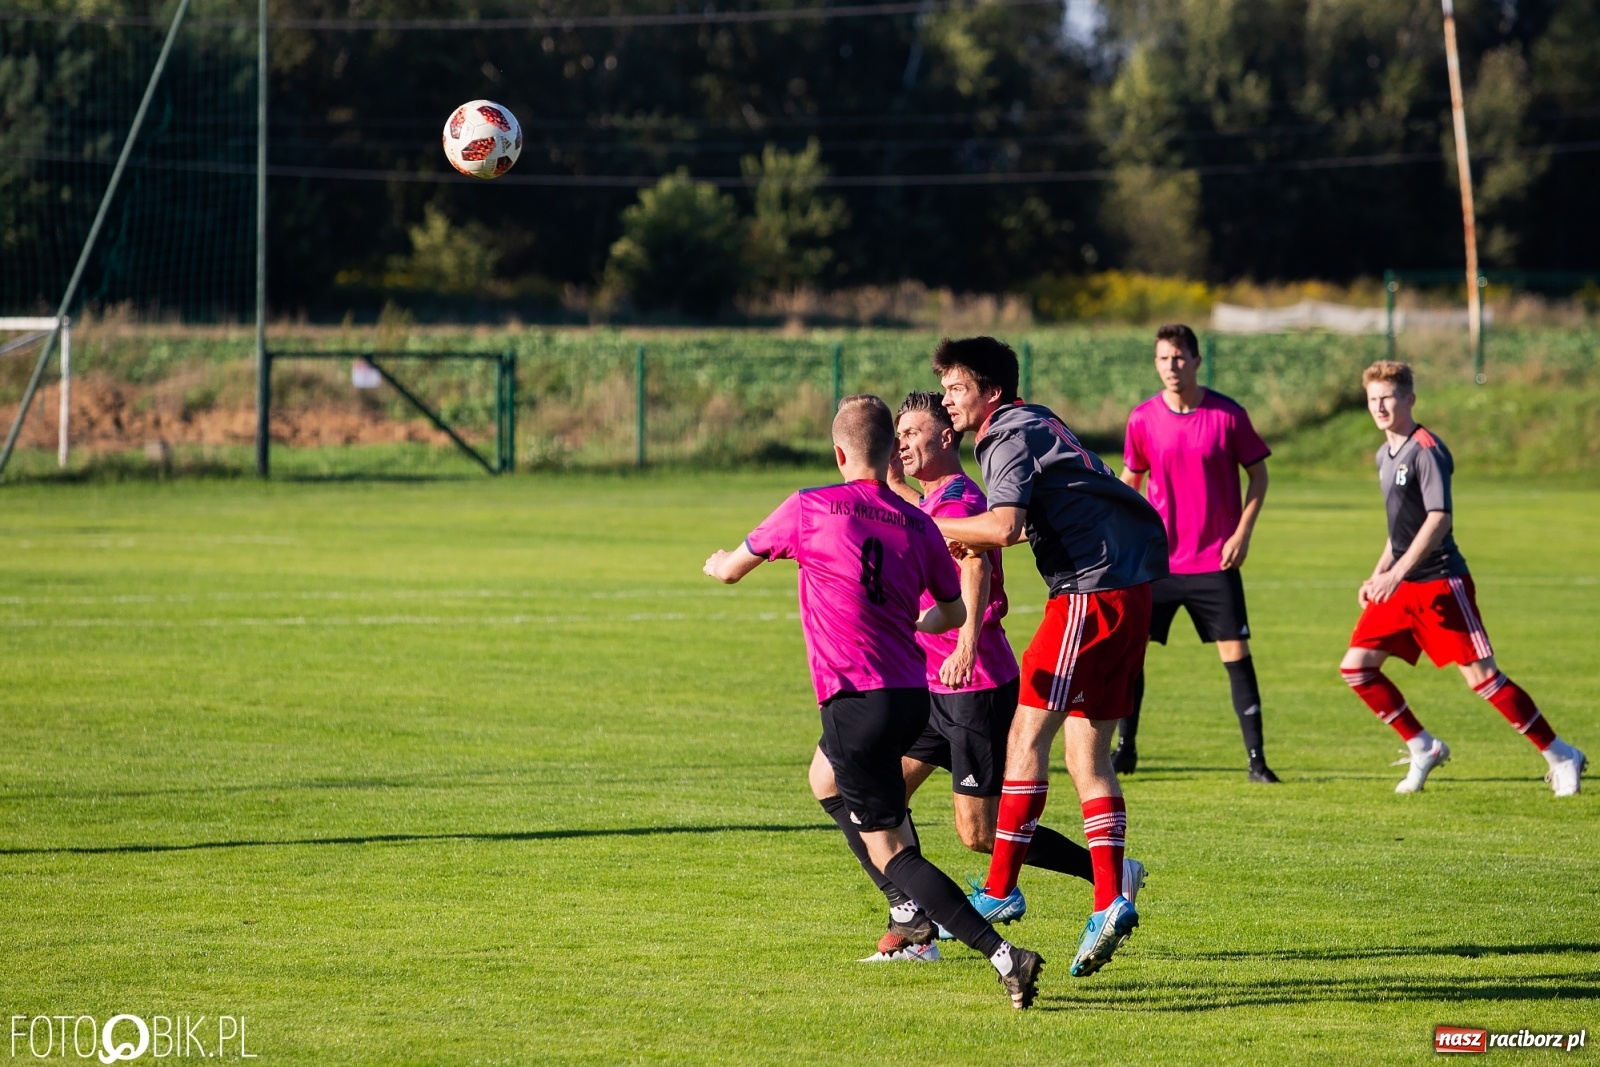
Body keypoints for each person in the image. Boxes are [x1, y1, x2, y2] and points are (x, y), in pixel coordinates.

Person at [703, 394, 1044, 1008]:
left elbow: (732, 571)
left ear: (838, 453)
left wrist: (715, 564)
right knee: (824, 778)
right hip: (913, 692)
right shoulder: (918, 521)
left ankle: (988, 950)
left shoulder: (809, 506)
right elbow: (953, 606)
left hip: (854, 696)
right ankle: (913, 915)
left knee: (891, 850)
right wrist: (909, 623)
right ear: (891, 453)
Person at [857, 391, 1144, 963]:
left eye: (913, 432)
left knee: (979, 834)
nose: (904, 442)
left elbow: (975, 568)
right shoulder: (935, 498)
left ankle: (1107, 872)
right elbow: (919, 519)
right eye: (899, 434)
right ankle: (912, 925)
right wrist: (889, 481)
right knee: (878, 798)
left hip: (974, 685)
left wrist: (963, 643)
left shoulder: (964, 496)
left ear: (946, 437)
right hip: (933, 686)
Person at [926, 337, 1169, 979]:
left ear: (991, 393)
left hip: (1090, 593)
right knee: (1087, 755)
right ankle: (1108, 901)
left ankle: (1002, 886)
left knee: (1026, 733)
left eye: (956, 387)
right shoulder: (1038, 419)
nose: (948, 399)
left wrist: (929, 528)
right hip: (1131, 592)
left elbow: (1003, 525)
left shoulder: (1003, 434)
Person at [1340, 361, 1586, 796]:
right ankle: (1423, 747)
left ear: (1409, 399)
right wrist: (1379, 572)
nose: (1379, 406)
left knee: (1483, 678)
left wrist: (1396, 574)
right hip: (1402, 585)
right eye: (1373, 399)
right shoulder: (1384, 453)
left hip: (1440, 581)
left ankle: (1561, 754)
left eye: (1388, 397)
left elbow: (1438, 519)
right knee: (1357, 670)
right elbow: (1401, 526)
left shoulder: (1426, 449)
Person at [1117, 323, 1279, 783]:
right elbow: (1131, 483)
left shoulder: (1228, 415)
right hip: (1159, 563)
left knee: (1236, 655)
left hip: (1216, 561)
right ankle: (1125, 749)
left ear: (1196, 360)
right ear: (1156, 363)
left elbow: (1259, 476)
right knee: (1131, 656)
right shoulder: (1142, 418)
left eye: (1179, 357)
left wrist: (1242, 533)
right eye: (1163, 358)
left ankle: (1257, 763)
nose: (1172, 366)